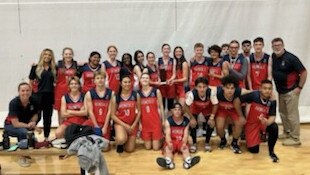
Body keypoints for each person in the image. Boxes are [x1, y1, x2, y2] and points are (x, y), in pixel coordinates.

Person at [271, 37, 307, 146]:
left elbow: (304, 72)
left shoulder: (291, 58)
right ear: (272, 47)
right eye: (275, 45)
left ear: (283, 45)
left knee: (292, 115)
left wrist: (299, 87)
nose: (277, 47)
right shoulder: (273, 56)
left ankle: (295, 138)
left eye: (279, 45)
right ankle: (287, 132)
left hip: (291, 91)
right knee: (283, 113)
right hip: (281, 91)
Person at [234, 80, 279, 162]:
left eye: (269, 89)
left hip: (263, 123)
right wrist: (241, 116)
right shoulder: (254, 95)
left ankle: (271, 151)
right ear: (260, 89)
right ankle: (253, 137)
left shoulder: (272, 99)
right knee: (254, 150)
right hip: (252, 124)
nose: (267, 90)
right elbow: (236, 101)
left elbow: (272, 117)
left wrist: (267, 122)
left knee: (274, 127)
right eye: (265, 88)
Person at [4, 82, 41, 167]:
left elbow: (35, 114)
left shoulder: (34, 101)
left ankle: (25, 152)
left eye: (27, 90)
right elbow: (16, 124)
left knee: (27, 134)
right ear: (19, 92)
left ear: (31, 91)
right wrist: (32, 126)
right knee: (24, 132)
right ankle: (22, 157)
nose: (25, 93)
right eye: (23, 91)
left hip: (24, 124)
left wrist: (33, 122)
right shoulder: (13, 103)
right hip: (10, 126)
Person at [156, 103, 200, 170]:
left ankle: (188, 161)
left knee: (185, 149)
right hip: (172, 140)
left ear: (181, 111)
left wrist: (184, 143)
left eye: (179, 110)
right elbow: (167, 134)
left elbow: (185, 135)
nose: (177, 111)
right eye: (175, 110)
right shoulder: (168, 121)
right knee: (168, 149)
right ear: (172, 111)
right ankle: (168, 162)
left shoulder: (186, 121)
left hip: (181, 141)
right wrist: (169, 142)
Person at [215, 75, 251, 153]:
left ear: (235, 88)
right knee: (219, 126)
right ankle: (223, 140)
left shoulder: (239, 91)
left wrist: (264, 92)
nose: (230, 91)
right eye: (227, 88)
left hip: (234, 110)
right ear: (223, 87)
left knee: (240, 124)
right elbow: (207, 87)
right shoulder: (217, 91)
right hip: (222, 110)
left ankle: (234, 142)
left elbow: (252, 92)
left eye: (232, 88)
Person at [183, 77, 218, 152]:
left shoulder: (211, 92)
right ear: (195, 87)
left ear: (207, 86)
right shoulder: (192, 94)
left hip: (207, 108)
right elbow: (185, 105)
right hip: (195, 108)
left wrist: (212, 118)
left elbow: (215, 104)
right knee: (192, 123)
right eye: (199, 87)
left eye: (204, 87)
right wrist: (191, 118)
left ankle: (207, 143)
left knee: (211, 123)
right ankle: (194, 143)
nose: (202, 89)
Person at [29, 48, 56, 141]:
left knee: (47, 118)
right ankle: (30, 135)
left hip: (49, 96)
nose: (47, 56)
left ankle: (46, 137)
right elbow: (30, 82)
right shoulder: (35, 67)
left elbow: (66, 65)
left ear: (51, 57)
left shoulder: (54, 68)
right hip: (37, 96)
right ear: (42, 56)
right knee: (36, 116)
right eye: (45, 54)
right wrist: (30, 95)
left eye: (49, 55)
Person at [83, 71, 114, 150]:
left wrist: (105, 127)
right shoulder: (89, 93)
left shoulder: (111, 93)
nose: (100, 80)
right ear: (94, 80)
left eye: (102, 78)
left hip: (104, 123)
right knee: (84, 132)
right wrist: (96, 126)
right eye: (98, 78)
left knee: (105, 148)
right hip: (93, 122)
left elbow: (110, 111)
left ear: (105, 79)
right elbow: (90, 112)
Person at [111, 75, 141, 153]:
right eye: (125, 82)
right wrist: (125, 125)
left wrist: (134, 125)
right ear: (121, 83)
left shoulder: (135, 95)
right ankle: (120, 142)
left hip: (132, 124)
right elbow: (113, 115)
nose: (127, 84)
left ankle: (125, 138)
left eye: (129, 82)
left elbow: (139, 112)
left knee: (130, 149)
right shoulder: (116, 98)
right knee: (121, 139)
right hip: (121, 124)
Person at [138, 73, 165, 150]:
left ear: (149, 80)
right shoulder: (138, 94)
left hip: (155, 121)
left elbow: (161, 106)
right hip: (145, 123)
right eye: (143, 78)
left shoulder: (156, 91)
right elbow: (138, 110)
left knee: (156, 148)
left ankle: (163, 139)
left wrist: (163, 120)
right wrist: (140, 123)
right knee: (148, 147)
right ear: (140, 80)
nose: (145, 79)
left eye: (147, 78)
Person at [54, 47, 79, 125]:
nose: (68, 56)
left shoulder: (76, 65)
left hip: (72, 90)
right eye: (66, 54)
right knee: (60, 111)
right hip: (60, 91)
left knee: (72, 110)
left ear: (72, 55)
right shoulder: (58, 65)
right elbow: (46, 66)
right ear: (63, 55)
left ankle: (71, 130)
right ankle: (61, 130)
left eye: (70, 54)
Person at [158, 43, 176, 111]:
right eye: (164, 49)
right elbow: (157, 72)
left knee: (170, 106)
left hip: (170, 84)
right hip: (161, 85)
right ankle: (162, 120)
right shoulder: (158, 60)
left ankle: (169, 120)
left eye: (168, 49)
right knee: (161, 104)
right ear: (162, 50)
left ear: (170, 50)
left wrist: (170, 79)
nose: (166, 50)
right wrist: (159, 79)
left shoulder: (173, 60)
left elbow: (174, 74)